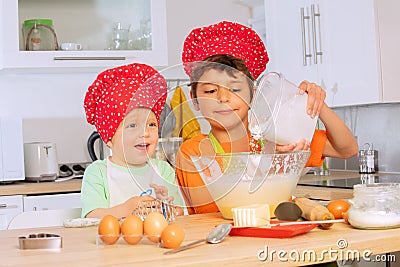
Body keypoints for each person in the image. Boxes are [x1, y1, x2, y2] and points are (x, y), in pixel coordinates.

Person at [175, 21, 358, 215]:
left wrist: (317, 104)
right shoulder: (193, 153)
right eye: (211, 90)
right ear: (195, 100)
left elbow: (347, 149)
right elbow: (217, 214)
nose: (223, 98)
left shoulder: (276, 136)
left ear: (253, 96)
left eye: (235, 89)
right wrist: (276, 164)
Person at [82, 63, 184, 219]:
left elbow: (179, 212)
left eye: (151, 124)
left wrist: (167, 208)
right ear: (109, 138)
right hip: (115, 244)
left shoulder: (163, 170)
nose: (144, 133)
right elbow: (91, 217)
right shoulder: (98, 173)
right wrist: (124, 210)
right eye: (132, 125)